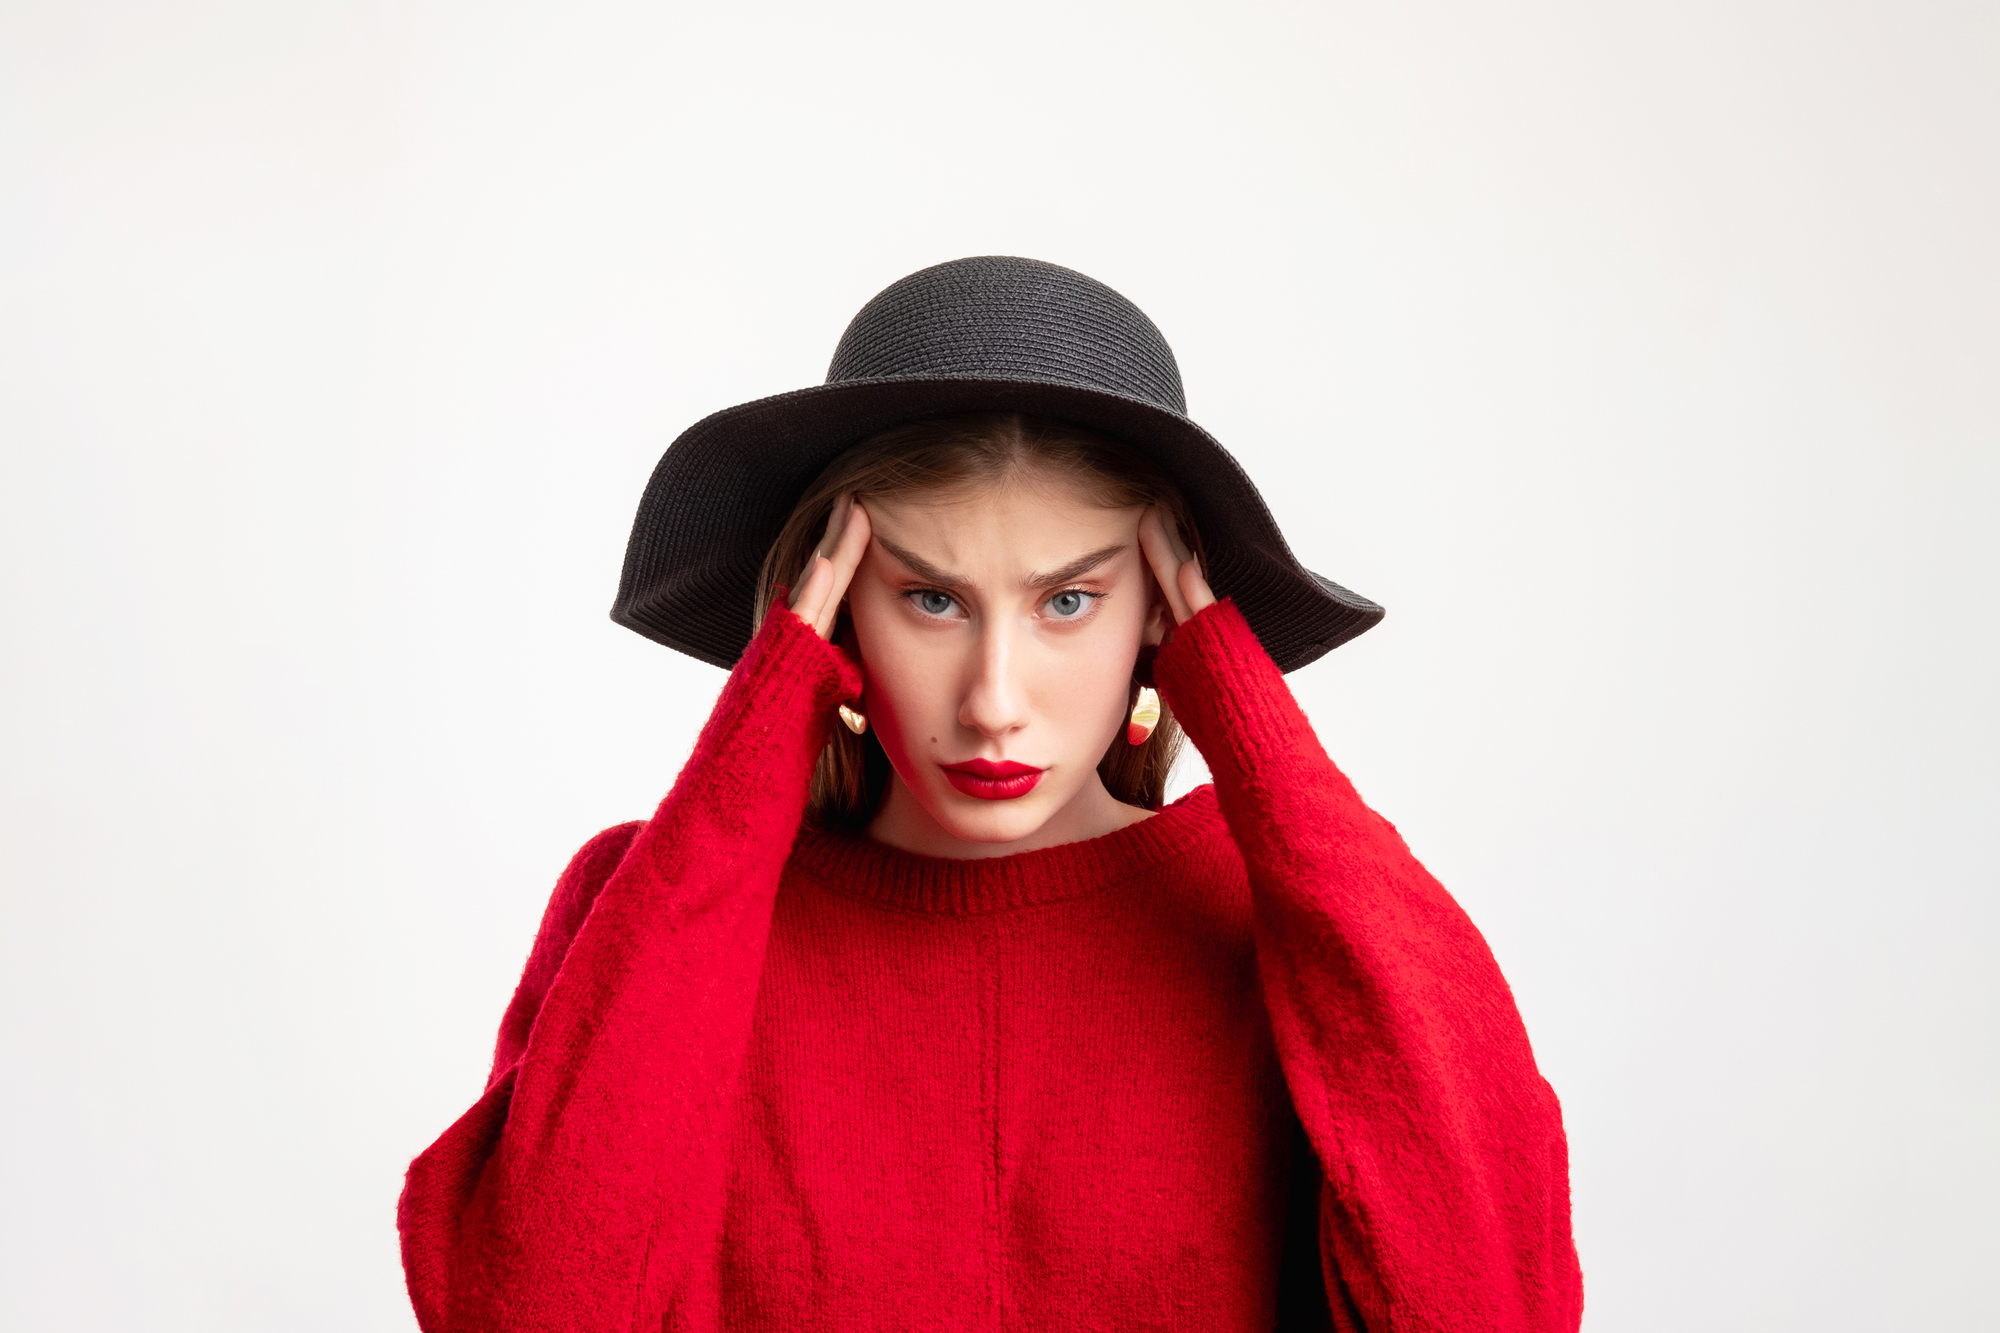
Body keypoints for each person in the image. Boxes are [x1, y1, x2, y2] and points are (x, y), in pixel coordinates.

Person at [397, 257, 1583, 1331]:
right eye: (930, 599)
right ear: (837, 600)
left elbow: (1486, 1301)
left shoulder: (1294, 923)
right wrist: (755, 743)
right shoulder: (652, 909)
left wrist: (1251, 730)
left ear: (1160, 613)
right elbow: (529, 1303)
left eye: (1066, 600)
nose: (993, 698)